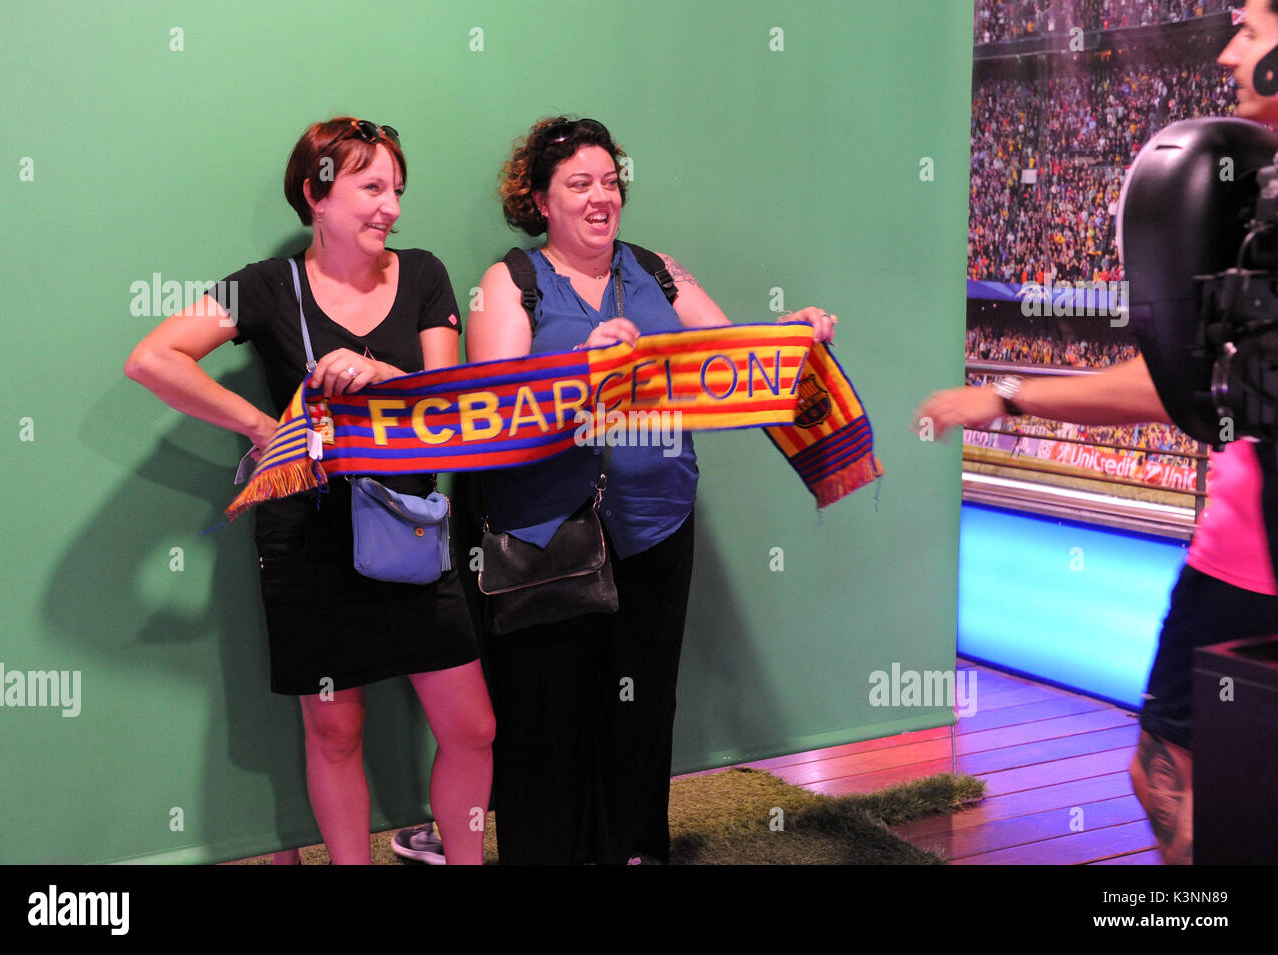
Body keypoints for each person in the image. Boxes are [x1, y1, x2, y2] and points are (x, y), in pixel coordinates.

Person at [915, 0, 1278, 866]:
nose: (1230, 50)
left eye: (1253, 28)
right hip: (1239, 548)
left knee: (1184, 781)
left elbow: (1179, 387)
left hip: (1245, 568)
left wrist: (1005, 397)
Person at [452, 116, 835, 864]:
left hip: (657, 532)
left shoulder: (659, 271)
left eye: (609, 181)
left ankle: (634, 853)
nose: (601, 197)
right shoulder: (509, 283)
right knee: (547, 722)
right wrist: (580, 371)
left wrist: (788, 336)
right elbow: (489, 414)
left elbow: (733, 358)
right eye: (579, 184)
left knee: (640, 709)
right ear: (540, 200)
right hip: (547, 541)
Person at [125, 117, 494, 865]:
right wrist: (265, 427)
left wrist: (384, 377)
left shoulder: (423, 274)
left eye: (396, 189)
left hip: (411, 527)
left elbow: (451, 406)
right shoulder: (269, 286)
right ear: (315, 196)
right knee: (334, 732)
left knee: (473, 728)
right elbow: (152, 358)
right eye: (370, 187)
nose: (389, 206)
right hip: (307, 536)